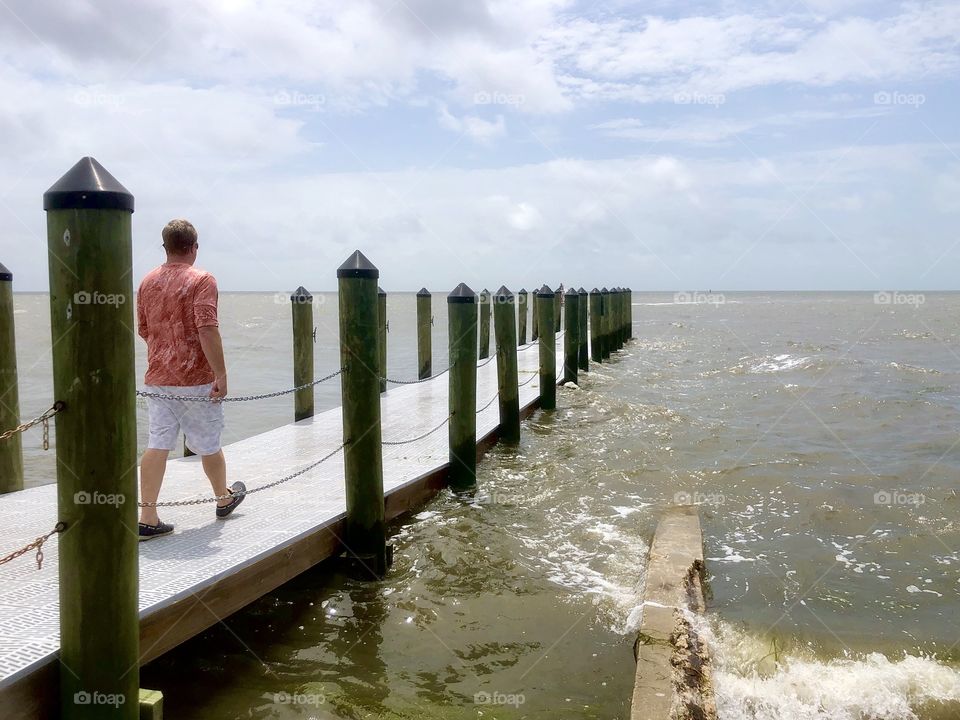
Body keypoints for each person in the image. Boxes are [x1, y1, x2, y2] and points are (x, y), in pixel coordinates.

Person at [136, 219, 245, 540]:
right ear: (194, 247)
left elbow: (143, 329)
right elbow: (207, 327)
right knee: (208, 443)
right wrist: (221, 374)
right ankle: (223, 499)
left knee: (158, 442)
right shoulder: (202, 280)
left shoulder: (147, 282)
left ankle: (147, 516)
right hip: (195, 377)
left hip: (158, 376)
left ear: (165, 247)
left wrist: (166, 352)